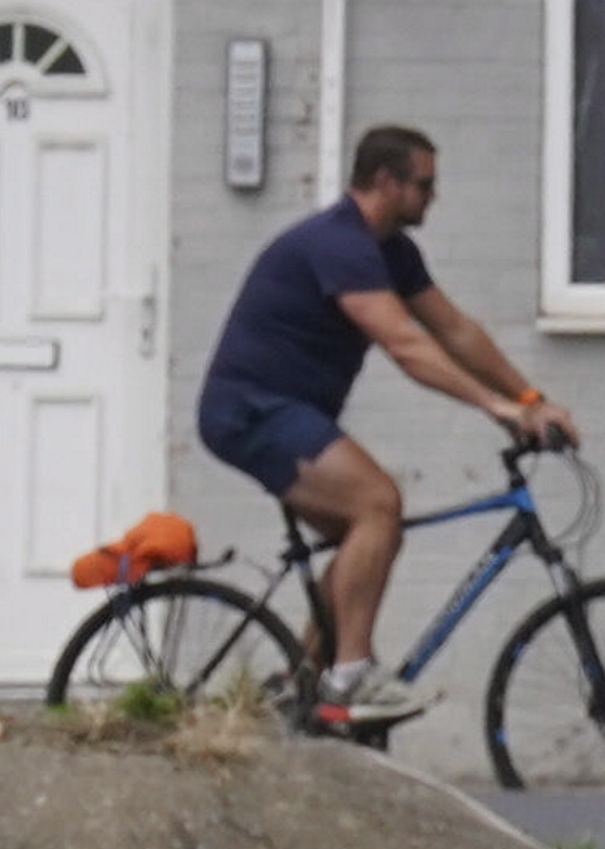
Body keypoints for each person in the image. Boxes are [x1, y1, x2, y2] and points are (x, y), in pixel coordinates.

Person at [192, 125, 577, 728]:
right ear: (386, 182)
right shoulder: (339, 244)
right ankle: (351, 677)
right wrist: (500, 411)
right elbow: (407, 346)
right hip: (252, 410)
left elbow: (454, 331)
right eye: (424, 185)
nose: (433, 197)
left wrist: (529, 397)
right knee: (378, 501)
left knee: (368, 533)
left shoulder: (391, 250)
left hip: (288, 413)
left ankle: (299, 686)